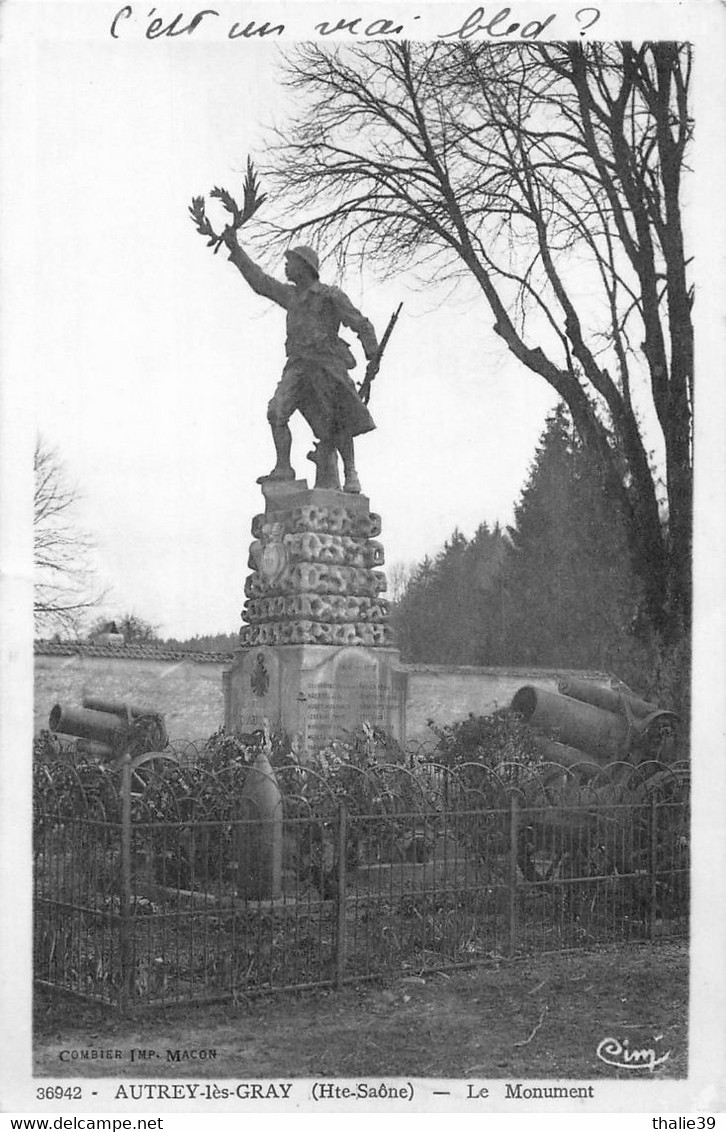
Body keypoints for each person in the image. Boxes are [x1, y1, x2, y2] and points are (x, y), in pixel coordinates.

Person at [223, 232, 379, 493]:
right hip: (298, 365)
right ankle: (283, 467)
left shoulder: (330, 296)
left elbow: (360, 323)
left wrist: (371, 352)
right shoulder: (290, 295)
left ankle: (350, 472)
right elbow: (260, 282)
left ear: (304, 266)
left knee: (338, 421)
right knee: (277, 411)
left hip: (327, 366)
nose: (286, 266)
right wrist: (236, 250)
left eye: (290, 261)